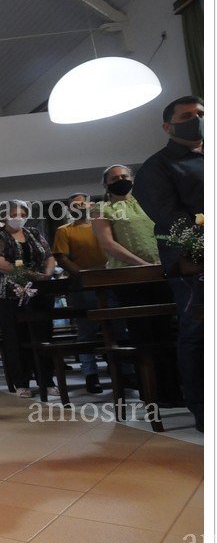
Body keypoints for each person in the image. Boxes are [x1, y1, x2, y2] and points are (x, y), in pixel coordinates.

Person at [134, 96, 204, 430]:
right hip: (193, 259)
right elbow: (170, 218)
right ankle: (203, 407)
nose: (197, 119)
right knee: (198, 329)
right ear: (168, 126)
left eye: (201, 113)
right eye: (187, 116)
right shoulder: (156, 168)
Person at [92, 164, 180, 406]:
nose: (121, 180)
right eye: (115, 178)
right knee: (143, 334)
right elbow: (108, 244)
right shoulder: (102, 209)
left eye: (125, 176)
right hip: (129, 276)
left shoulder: (145, 203)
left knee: (166, 332)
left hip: (159, 273)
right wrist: (141, 264)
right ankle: (152, 393)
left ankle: (174, 391)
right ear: (106, 184)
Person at [0, 201, 57, 397]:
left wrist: (47, 274)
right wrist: (28, 274)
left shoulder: (33, 233)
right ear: (5, 216)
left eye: (23, 214)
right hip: (9, 293)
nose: (19, 218)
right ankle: (21, 382)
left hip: (38, 291)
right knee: (16, 337)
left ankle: (47, 380)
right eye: (14, 214)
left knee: (43, 334)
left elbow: (49, 256)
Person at [52, 193, 108, 394]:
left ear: (90, 204)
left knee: (118, 328)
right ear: (69, 209)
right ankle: (91, 374)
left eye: (82, 203)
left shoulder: (103, 225)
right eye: (74, 205)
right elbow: (62, 258)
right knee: (86, 331)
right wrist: (84, 275)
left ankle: (125, 371)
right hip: (82, 286)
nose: (79, 207)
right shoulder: (65, 230)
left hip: (109, 281)